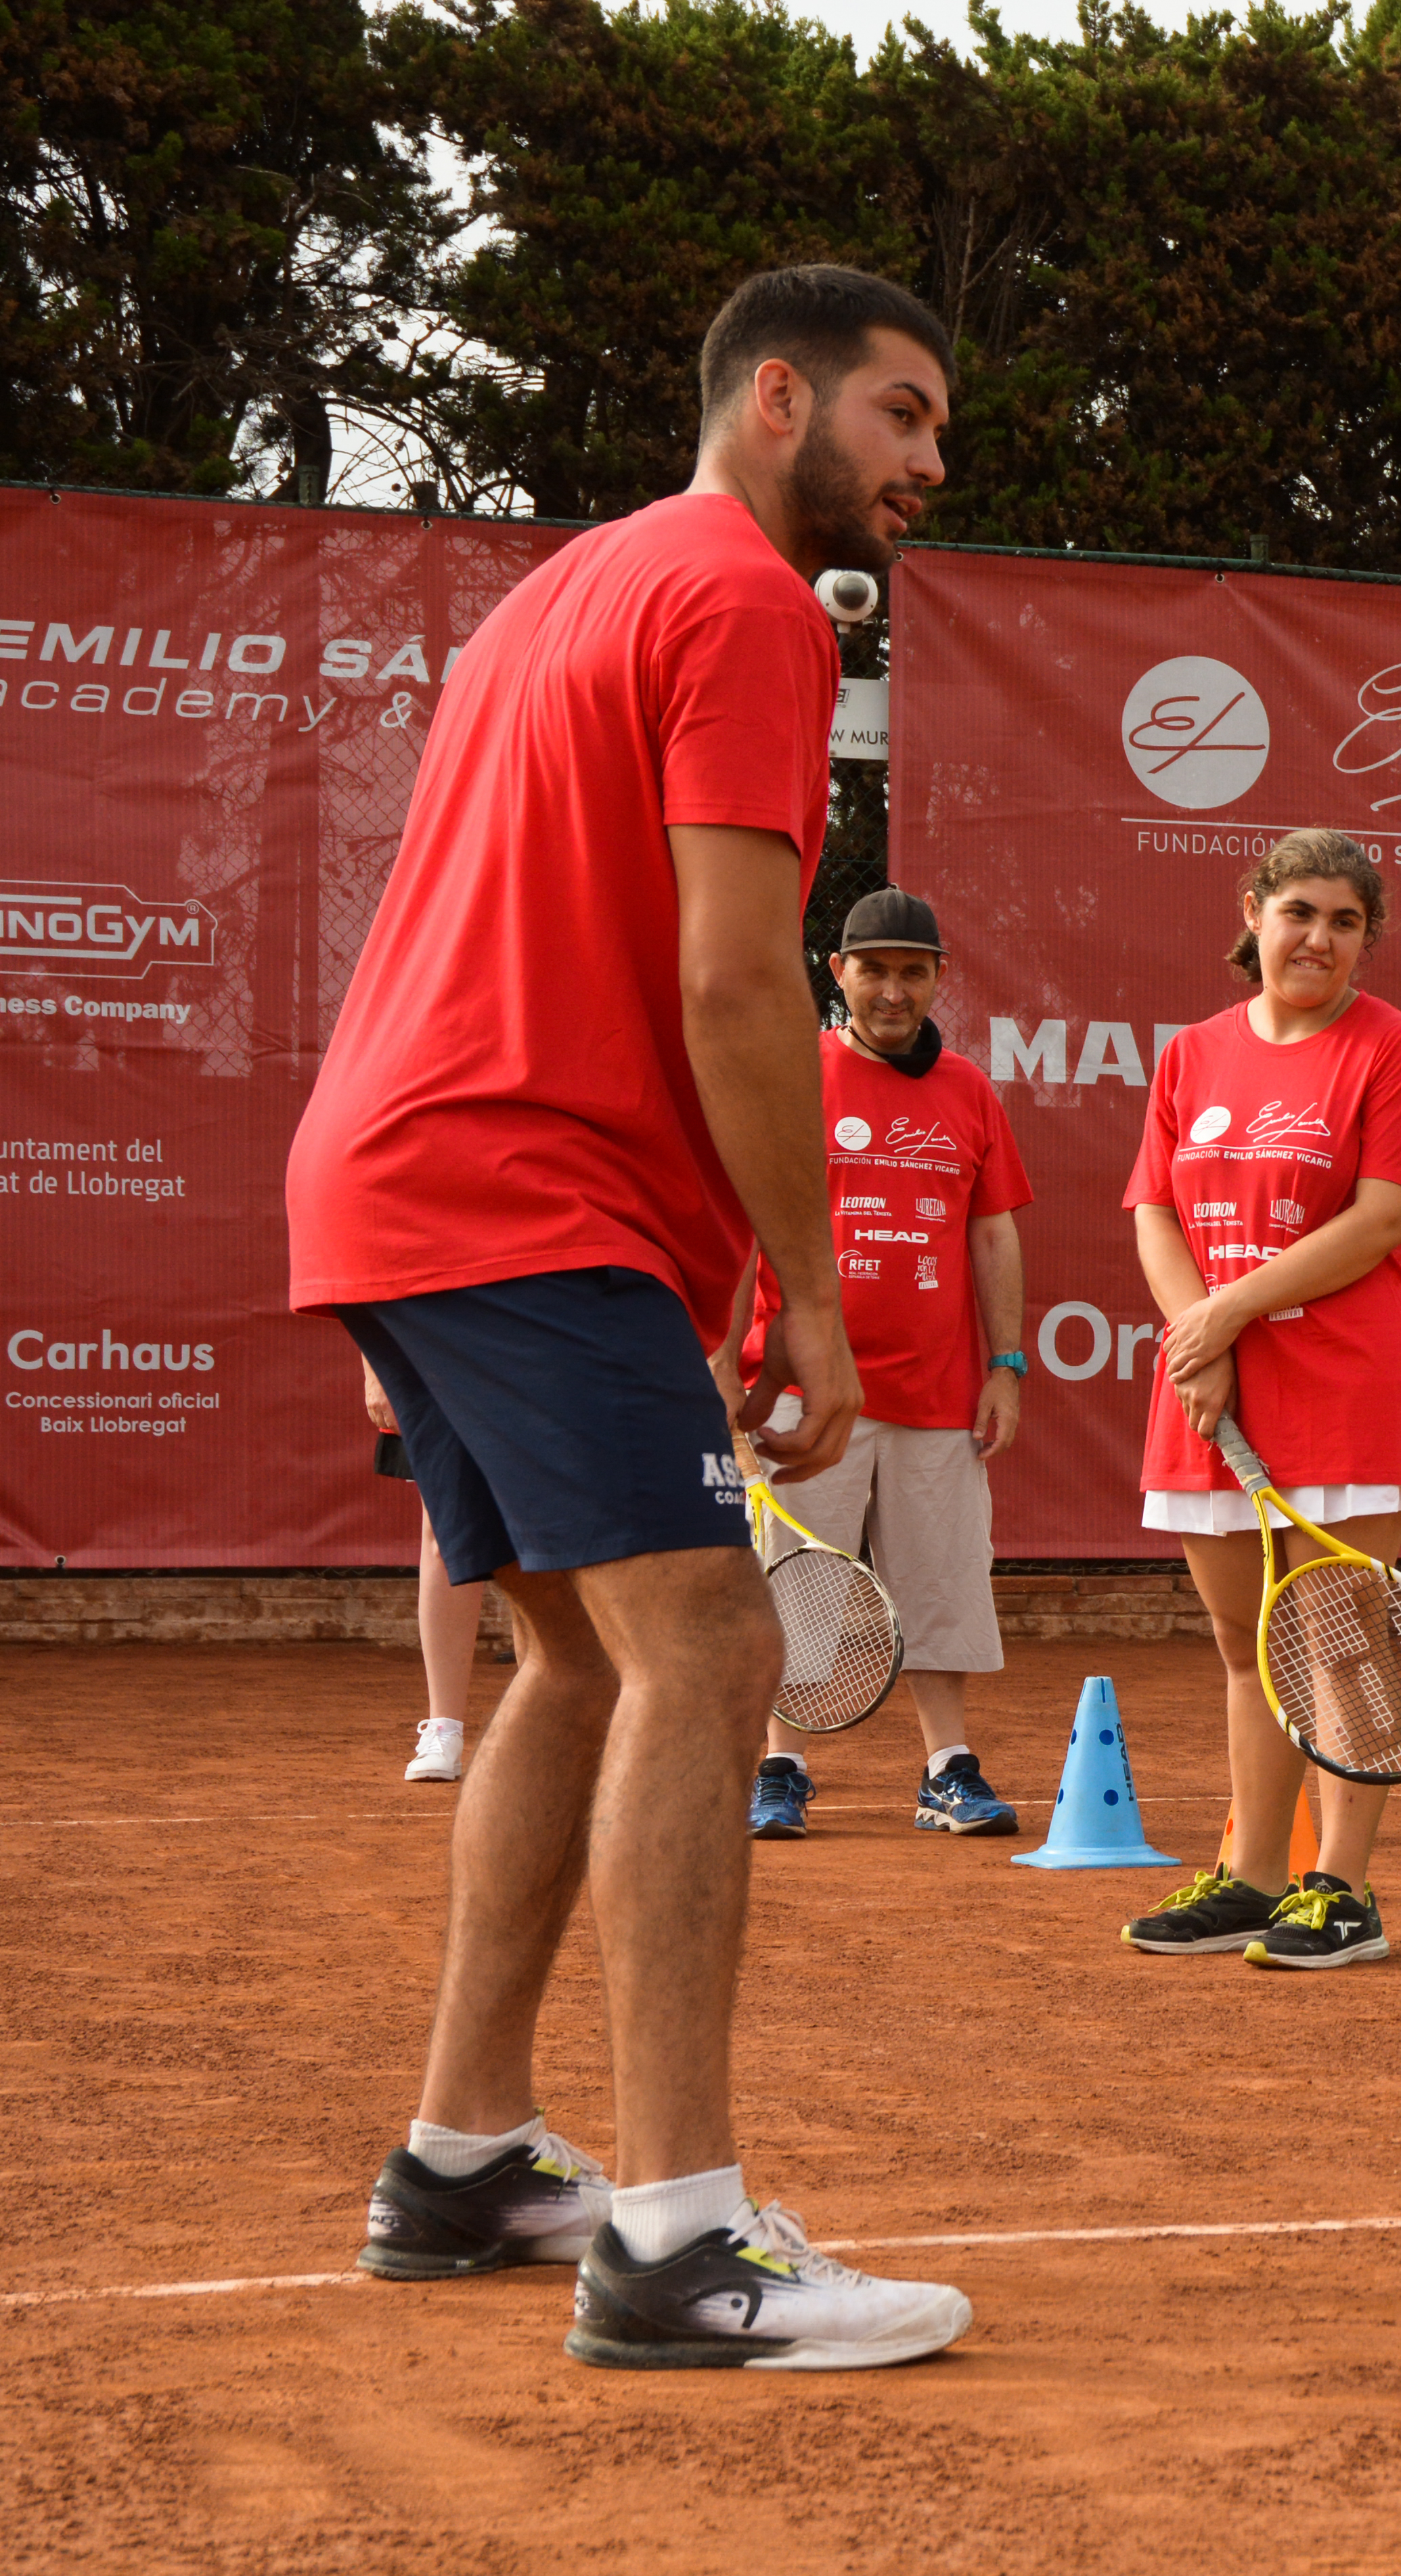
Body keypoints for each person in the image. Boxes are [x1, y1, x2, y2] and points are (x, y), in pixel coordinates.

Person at [285, 263, 973, 2368]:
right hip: (517, 1176)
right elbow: (736, 978)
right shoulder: (755, 605)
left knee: (576, 1655)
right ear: (780, 400)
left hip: (407, 1174)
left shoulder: (565, 588)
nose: (928, 469)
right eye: (904, 418)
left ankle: (467, 2155)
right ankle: (679, 2237)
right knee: (710, 1638)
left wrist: (732, 1271)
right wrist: (826, 1302)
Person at [1119, 828, 1401, 1972]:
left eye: (1345, 921)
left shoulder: (1392, 1048)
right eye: (1300, 911)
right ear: (1255, 910)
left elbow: (1383, 1219)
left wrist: (1226, 1315)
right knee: (1244, 1644)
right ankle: (1256, 1878)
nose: (1318, 938)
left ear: (1368, 939)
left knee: (1337, 1640)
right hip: (1211, 1391)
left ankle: (1342, 1890)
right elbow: (1155, 1211)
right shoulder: (1193, 1056)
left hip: (1344, 1388)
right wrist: (1197, 1334)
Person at [740, 887, 1036, 1840]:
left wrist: (1006, 1364)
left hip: (941, 1393)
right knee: (800, 1580)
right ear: (840, 975)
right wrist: (738, 1376)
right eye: (875, 970)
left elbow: (992, 1240)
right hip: (807, 1391)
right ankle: (780, 1767)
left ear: (939, 977)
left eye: (914, 971)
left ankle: (948, 1770)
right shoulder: (792, 1076)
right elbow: (738, 1233)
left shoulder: (971, 1093)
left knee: (941, 1583)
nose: (894, 991)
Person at [363, 1358, 489, 1782]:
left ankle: (570, 1722)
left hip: (546, 1350)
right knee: (445, 1533)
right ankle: (444, 1729)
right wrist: (378, 1369)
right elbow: (365, 1289)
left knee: (561, 1532)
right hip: (436, 1354)